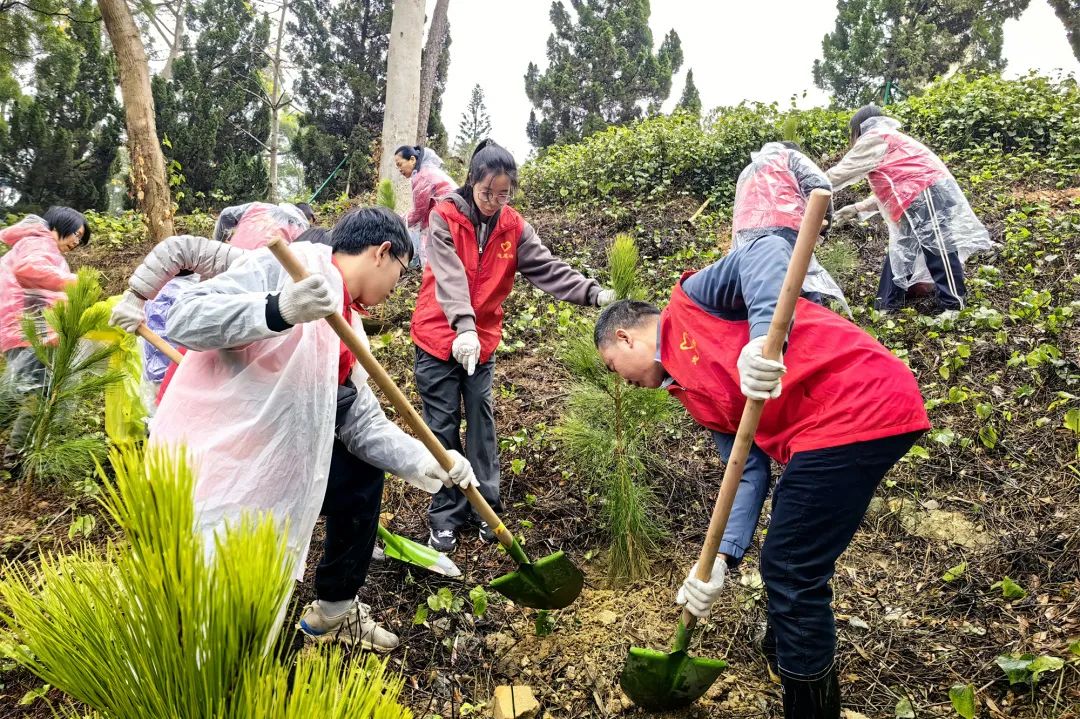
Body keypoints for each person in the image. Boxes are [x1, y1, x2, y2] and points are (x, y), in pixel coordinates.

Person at [592, 235, 930, 718]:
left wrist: (761, 339)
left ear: (624, 337)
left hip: (856, 398)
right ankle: (787, 651)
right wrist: (723, 559)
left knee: (790, 566)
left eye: (612, 366)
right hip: (831, 431)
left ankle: (809, 707)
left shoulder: (692, 303)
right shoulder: (692, 393)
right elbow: (745, 475)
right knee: (791, 557)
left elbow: (766, 252)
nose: (620, 379)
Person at [132, 208, 477, 651]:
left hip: (274, 466)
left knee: (360, 473)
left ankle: (334, 610)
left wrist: (433, 461)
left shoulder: (347, 326)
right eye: (400, 272)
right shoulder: (285, 264)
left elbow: (361, 421)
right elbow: (185, 318)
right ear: (383, 252)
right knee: (206, 610)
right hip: (214, 460)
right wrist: (280, 309)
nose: (396, 288)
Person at [411, 139, 616, 552]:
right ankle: (446, 514)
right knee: (442, 426)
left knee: (482, 424)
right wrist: (462, 327)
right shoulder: (445, 215)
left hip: (482, 342)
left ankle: (485, 506)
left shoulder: (514, 227)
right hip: (438, 337)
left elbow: (547, 267)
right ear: (472, 182)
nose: (494, 201)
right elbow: (449, 276)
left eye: (503, 194)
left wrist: (593, 294)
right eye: (488, 192)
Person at [827, 106, 991, 314]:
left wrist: (806, 183)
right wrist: (856, 208)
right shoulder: (889, 139)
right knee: (901, 250)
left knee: (938, 246)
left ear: (858, 130)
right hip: (916, 195)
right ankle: (886, 305)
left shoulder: (875, 137)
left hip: (927, 192)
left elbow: (839, 173)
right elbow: (893, 188)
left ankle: (953, 305)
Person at [0, 208, 88, 455]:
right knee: (35, 394)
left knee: (23, 389)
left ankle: (19, 453)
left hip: (22, 328)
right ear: (59, 225)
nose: (76, 242)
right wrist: (74, 282)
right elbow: (28, 270)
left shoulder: (33, 242)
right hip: (29, 330)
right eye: (76, 234)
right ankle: (16, 456)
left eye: (80, 239)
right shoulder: (40, 243)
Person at [732, 141, 849, 314]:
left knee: (761, 284)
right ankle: (813, 325)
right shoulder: (790, 157)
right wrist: (823, 228)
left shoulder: (749, 170)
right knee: (801, 279)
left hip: (745, 234)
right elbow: (821, 186)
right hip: (783, 227)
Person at [394, 145, 456, 267]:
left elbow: (419, 212)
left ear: (412, 159)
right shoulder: (428, 171)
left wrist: (398, 221)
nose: (399, 169)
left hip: (447, 218)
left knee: (430, 257)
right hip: (450, 217)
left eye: (400, 164)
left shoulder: (422, 177)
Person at [211, 201, 310, 250]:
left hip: (231, 257)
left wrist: (220, 246)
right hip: (262, 271)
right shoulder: (300, 230)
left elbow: (226, 214)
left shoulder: (260, 207)